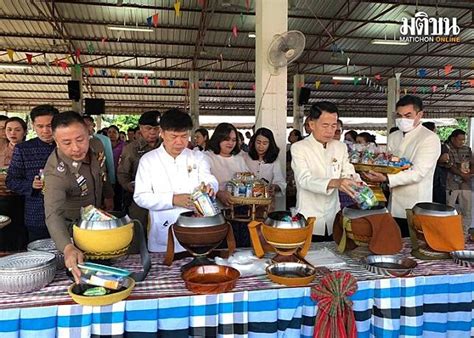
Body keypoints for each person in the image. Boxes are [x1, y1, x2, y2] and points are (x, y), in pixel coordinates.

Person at [133, 109, 218, 252]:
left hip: (195, 229)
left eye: (184, 136)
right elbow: (140, 197)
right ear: (162, 132)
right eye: (174, 136)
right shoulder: (148, 160)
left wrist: (210, 186)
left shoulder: (197, 157)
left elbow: (209, 178)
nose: (179, 142)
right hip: (163, 231)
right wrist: (172, 200)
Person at [43, 111, 114, 283]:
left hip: (98, 223)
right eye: (66, 143)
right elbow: (53, 214)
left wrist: (109, 196)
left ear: (88, 133)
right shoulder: (55, 173)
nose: (75, 148)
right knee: (83, 278)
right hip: (74, 231)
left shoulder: (96, 145)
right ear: (55, 141)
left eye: (80, 139)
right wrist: (68, 248)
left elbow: (102, 174)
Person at [363, 95, 440, 237]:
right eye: (399, 115)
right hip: (393, 201)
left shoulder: (429, 138)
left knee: (411, 243)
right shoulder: (394, 136)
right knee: (392, 239)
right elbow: (387, 162)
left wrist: (386, 178)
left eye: (408, 115)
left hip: (415, 203)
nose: (402, 119)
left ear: (420, 114)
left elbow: (418, 173)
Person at [291, 101, 360, 242]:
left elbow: (348, 172)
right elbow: (304, 180)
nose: (330, 131)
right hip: (309, 216)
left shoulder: (340, 147)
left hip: (333, 216)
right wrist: (335, 182)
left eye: (334, 126)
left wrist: (357, 183)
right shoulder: (299, 148)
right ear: (311, 125)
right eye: (325, 125)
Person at [6, 105, 58, 243]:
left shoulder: (67, 146)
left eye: (49, 125)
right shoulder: (23, 149)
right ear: (33, 126)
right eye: (40, 126)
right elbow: (11, 181)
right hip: (37, 214)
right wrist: (31, 185)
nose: (45, 131)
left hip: (67, 213)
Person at [206, 123, 250, 246]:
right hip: (217, 213)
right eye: (226, 139)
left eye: (234, 140)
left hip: (240, 212)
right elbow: (202, 183)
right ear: (218, 138)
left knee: (240, 249)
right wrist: (219, 193)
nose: (230, 143)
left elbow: (248, 180)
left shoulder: (239, 159)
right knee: (220, 250)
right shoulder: (207, 157)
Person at [117, 110, 161, 230]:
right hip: (139, 199)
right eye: (148, 128)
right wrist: (127, 185)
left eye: (156, 128)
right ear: (141, 128)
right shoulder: (131, 149)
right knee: (138, 229)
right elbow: (122, 173)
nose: (152, 132)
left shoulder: (165, 146)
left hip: (163, 197)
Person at [445, 129, 472, 230]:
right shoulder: (446, 149)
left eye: (463, 140)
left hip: (465, 183)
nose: (462, 142)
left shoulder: (467, 149)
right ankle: (450, 230)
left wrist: (470, 174)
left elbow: (472, 162)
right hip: (451, 183)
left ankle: (465, 231)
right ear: (453, 139)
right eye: (460, 139)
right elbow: (449, 165)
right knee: (449, 209)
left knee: (466, 209)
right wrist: (462, 174)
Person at [244, 127, 286, 194]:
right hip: (247, 200)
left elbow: (280, 181)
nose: (261, 146)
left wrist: (274, 187)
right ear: (253, 142)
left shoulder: (274, 160)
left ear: (270, 144)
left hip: (266, 201)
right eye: (258, 142)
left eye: (265, 143)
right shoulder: (246, 157)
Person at [83, 116, 115, 185]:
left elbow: (109, 161)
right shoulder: (77, 140)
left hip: (100, 176)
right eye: (83, 125)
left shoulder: (103, 140)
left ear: (93, 125)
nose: (85, 128)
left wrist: (112, 180)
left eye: (88, 125)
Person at [422, 122, 449, 204]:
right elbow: (445, 159)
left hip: (431, 177)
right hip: (436, 177)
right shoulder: (439, 144)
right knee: (437, 202)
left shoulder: (419, 144)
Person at [107, 125, 125, 210]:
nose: (112, 134)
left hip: (119, 175)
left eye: (114, 132)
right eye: (109, 132)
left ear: (118, 134)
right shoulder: (104, 145)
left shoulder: (123, 146)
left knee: (118, 197)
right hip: (107, 175)